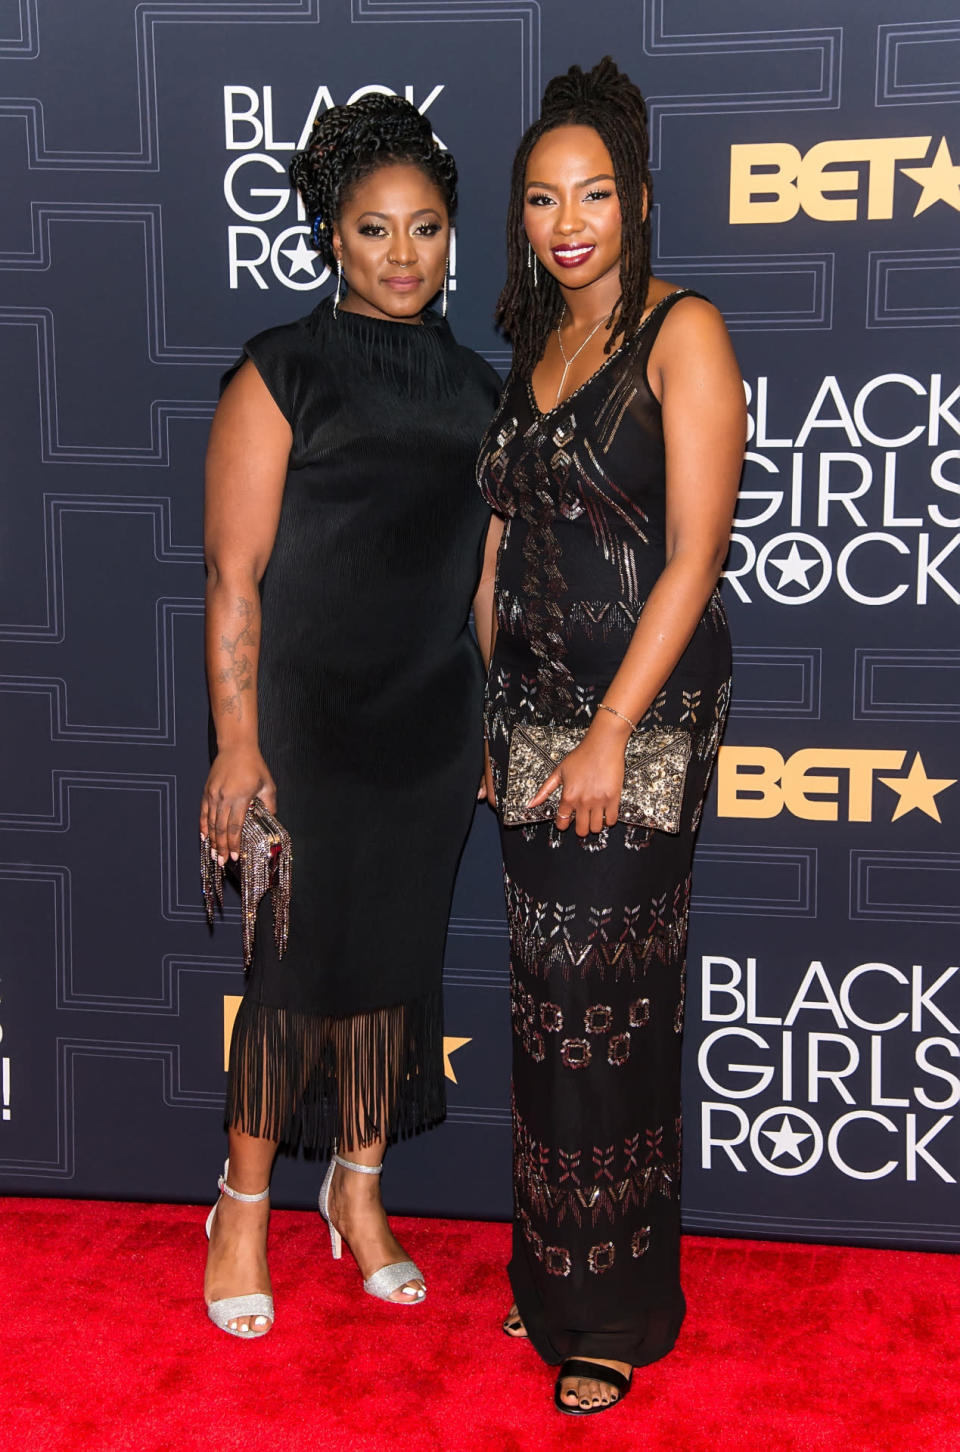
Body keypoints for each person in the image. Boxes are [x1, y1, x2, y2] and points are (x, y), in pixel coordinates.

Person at [200, 94, 501, 1337]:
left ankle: (361, 1196)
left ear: (450, 239)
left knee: (393, 969)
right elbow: (233, 577)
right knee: (294, 972)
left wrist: (486, 725)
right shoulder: (282, 369)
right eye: (373, 229)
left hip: (427, 728)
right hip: (304, 730)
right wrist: (235, 741)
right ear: (333, 238)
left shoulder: (483, 389)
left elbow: (484, 580)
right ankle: (244, 1206)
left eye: (423, 229)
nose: (400, 254)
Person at [477, 57, 745, 1414]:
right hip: (525, 726)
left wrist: (604, 735)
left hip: (635, 732)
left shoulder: (680, 333)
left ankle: (620, 1309)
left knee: (609, 1012)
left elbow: (697, 553)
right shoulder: (540, 348)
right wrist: (501, 716)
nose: (566, 218)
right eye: (540, 197)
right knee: (542, 1012)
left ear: (637, 200)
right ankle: (549, 1280)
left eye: (592, 193)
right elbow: (502, 548)